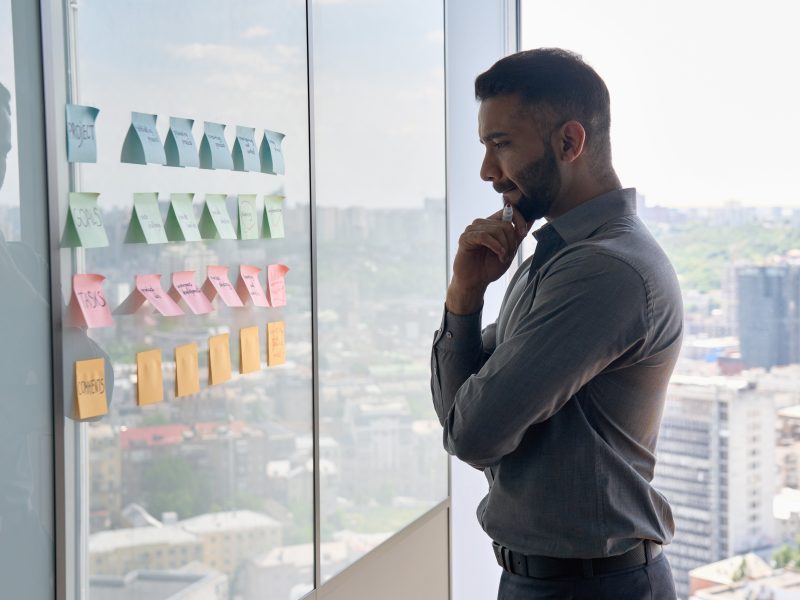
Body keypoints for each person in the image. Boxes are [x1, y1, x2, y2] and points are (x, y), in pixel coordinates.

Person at [430, 49, 682, 599]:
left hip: (594, 587)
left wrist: (467, 320)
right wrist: (465, 293)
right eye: (485, 146)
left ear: (569, 143)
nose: (487, 171)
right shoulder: (557, 256)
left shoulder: (603, 269)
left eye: (502, 145)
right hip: (556, 580)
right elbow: (464, 410)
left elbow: (473, 433)